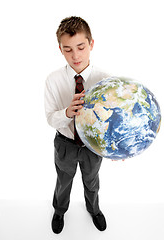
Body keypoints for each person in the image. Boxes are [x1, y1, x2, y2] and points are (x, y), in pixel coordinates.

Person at [45, 16, 110, 234]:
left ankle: (94, 209)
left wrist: (116, 145)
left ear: (91, 44)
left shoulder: (106, 81)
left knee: (92, 181)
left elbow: (113, 120)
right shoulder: (53, 80)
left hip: (93, 146)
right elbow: (50, 118)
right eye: (68, 49)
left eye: (81, 47)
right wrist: (67, 112)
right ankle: (59, 210)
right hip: (65, 143)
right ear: (60, 49)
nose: (75, 55)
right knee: (64, 181)